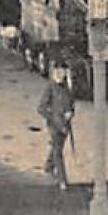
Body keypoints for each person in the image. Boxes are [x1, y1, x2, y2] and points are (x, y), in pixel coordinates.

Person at [38, 62, 75, 191]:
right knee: (58, 151)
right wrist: (52, 118)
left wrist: (70, 113)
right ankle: (62, 180)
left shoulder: (67, 87)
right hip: (54, 125)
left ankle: (48, 166)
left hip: (64, 124)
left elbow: (71, 103)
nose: (60, 75)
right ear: (53, 73)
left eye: (63, 72)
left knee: (56, 147)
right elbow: (41, 108)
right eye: (57, 72)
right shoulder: (50, 87)